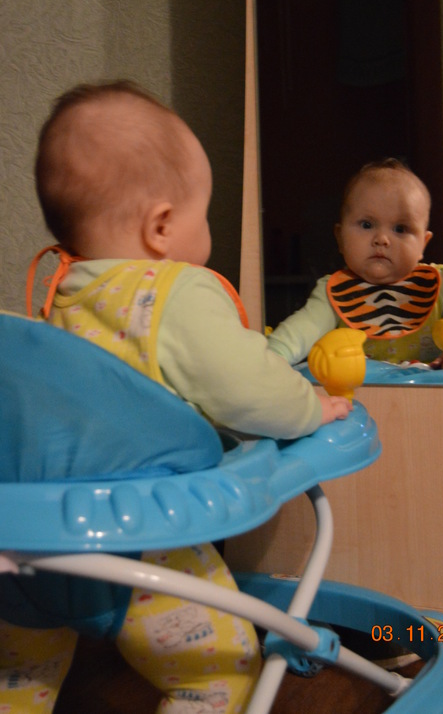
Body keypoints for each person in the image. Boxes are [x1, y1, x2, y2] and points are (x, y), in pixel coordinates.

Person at [2, 81, 353, 713]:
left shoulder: (60, 297)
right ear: (162, 226)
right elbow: (247, 389)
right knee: (220, 678)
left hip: (27, 555)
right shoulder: (175, 292)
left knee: (20, 680)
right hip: (140, 545)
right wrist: (310, 407)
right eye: (204, 213)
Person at [268, 158, 443, 369]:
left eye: (400, 229)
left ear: (423, 244)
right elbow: (303, 329)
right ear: (340, 237)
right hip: (361, 392)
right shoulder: (333, 292)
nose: (382, 239)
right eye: (366, 225)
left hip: (431, 392)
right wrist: (271, 357)